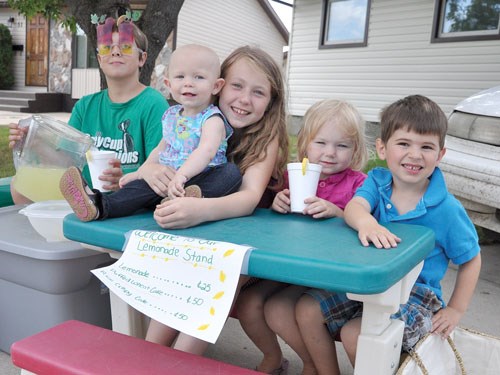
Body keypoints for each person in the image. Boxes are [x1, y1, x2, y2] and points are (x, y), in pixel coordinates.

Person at [298, 95, 481, 375]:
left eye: (427, 147)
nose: (415, 155)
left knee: (355, 333)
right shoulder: (378, 182)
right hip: (367, 283)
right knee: (306, 309)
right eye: (404, 144)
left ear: (440, 155)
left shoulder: (447, 208)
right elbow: (354, 208)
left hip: (416, 295)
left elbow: (471, 259)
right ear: (382, 148)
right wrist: (366, 223)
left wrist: (456, 309)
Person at [144, 45, 289, 356]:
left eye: (259, 93)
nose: (244, 99)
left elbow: (249, 198)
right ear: (219, 86)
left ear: (271, 102)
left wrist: (198, 210)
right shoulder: (195, 120)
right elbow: (156, 156)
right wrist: (153, 170)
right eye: (237, 86)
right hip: (199, 237)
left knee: (200, 309)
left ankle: (178, 362)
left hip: (242, 250)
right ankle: (147, 358)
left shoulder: (267, 137)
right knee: (165, 309)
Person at [237, 99, 369, 374]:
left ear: (356, 149)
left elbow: (367, 224)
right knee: (249, 304)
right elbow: (270, 217)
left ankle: (315, 364)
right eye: (320, 143)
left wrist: (338, 212)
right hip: (288, 268)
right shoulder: (293, 175)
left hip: (328, 273)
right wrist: (278, 203)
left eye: (342, 145)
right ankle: (275, 357)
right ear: (305, 143)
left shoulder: (359, 184)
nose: (330, 153)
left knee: (277, 309)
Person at [59, 44, 242, 221]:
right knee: (137, 189)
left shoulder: (212, 119)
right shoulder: (171, 116)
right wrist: (138, 173)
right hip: (166, 179)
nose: (188, 83)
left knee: (230, 173)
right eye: (180, 77)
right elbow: (160, 150)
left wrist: (182, 176)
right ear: (168, 84)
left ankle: (187, 201)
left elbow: (206, 151)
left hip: (200, 176)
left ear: (216, 86)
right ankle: (98, 205)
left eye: (199, 77)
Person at [8, 14, 168, 204]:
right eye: (107, 48)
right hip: (85, 197)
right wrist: (32, 142)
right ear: (100, 59)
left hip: (130, 200)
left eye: (125, 47)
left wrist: (123, 179)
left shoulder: (154, 104)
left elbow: (160, 167)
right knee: (19, 187)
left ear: (142, 59)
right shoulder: (85, 106)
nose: (115, 52)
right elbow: (65, 159)